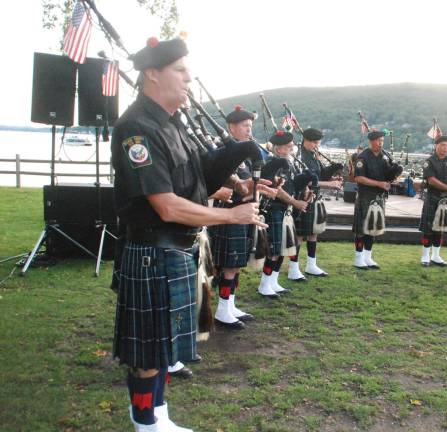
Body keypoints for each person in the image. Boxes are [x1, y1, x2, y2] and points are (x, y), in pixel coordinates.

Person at [111, 36, 266, 432]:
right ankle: (145, 421)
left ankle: (158, 415)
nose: (188, 79)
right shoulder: (137, 129)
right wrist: (232, 217)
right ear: (152, 73)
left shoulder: (173, 124)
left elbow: (201, 177)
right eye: (180, 71)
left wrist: (238, 150)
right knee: (148, 350)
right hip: (152, 250)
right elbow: (166, 205)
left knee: (165, 345)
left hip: (175, 250)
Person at [209, 105, 258, 329]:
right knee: (229, 265)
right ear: (231, 127)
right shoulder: (222, 150)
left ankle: (230, 306)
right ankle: (222, 310)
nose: (249, 130)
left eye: (251, 126)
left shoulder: (243, 152)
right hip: (228, 212)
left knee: (236, 263)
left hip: (244, 212)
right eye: (245, 126)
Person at [258, 130, 310, 296]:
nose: (292, 148)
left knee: (282, 248)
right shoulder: (274, 163)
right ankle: (264, 284)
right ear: (279, 149)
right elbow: (277, 190)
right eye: (289, 146)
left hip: (285, 210)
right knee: (274, 249)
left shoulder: (289, 162)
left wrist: (305, 190)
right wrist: (296, 203)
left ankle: (273, 281)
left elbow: (292, 185)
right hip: (274, 209)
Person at [288, 128, 342, 280]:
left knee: (313, 232)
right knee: (299, 234)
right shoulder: (299, 156)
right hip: (303, 198)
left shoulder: (313, 155)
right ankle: (294, 269)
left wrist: (332, 172)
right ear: (306, 140)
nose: (317, 145)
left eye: (318, 143)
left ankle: (311, 265)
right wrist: (330, 185)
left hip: (315, 198)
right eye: (315, 142)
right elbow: (309, 180)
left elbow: (319, 175)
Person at [418, 135, 447, 267]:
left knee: (440, 228)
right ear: (436, 146)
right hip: (433, 196)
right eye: (442, 145)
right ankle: (425, 256)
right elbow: (431, 180)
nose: (445, 148)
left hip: (445, 198)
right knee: (429, 228)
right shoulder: (430, 161)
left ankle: (436, 256)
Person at [352, 130, 392, 269]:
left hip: (379, 196)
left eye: (382, 140)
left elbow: (390, 172)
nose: (381, 143)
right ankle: (358, 258)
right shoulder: (363, 157)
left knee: (373, 227)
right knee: (362, 229)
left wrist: (392, 179)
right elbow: (358, 178)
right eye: (378, 140)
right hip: (365, 196)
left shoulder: (386, 156)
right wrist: (379, 184)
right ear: (371, 141)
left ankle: (368, 258)